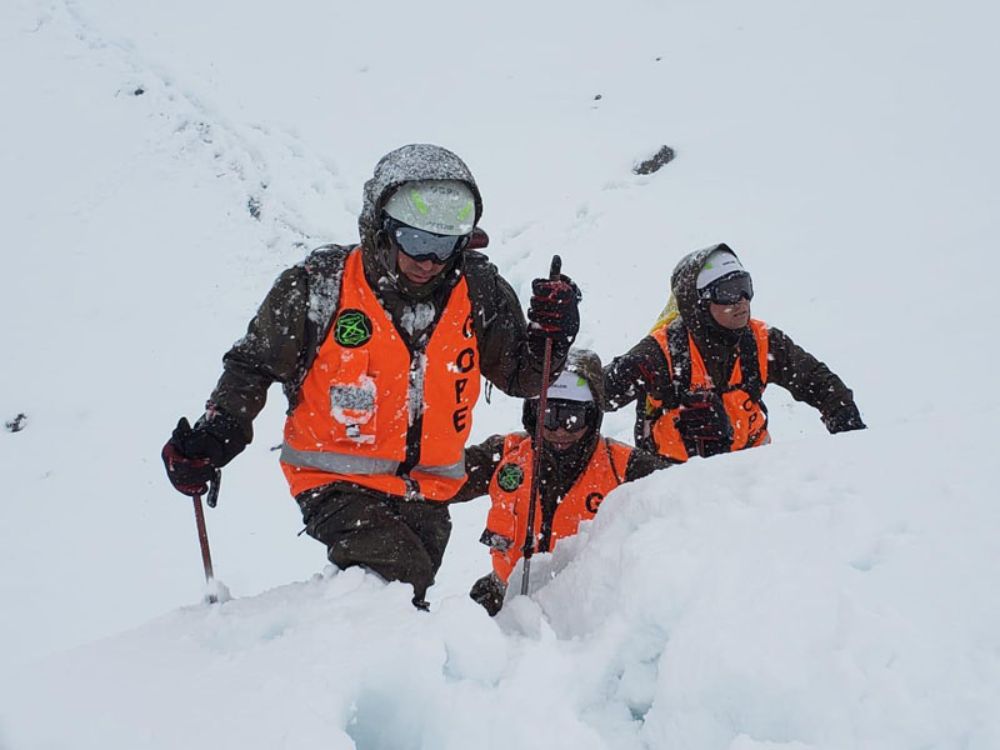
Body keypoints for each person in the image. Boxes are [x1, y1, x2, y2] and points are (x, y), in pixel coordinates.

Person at [161, 144, 582, 609]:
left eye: (444, 245)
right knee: (397, 579)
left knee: (402, 594)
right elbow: (253, 364)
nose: (429, 260)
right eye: (416, 242)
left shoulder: (477, 290)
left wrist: (552, 336)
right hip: (334, 481)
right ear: (381, 231)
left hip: (428, 492)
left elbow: (522, 377)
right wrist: (219, 432)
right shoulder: (318, 286)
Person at [453, 349, 671, 615]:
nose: (559, 430)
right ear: (533, 414)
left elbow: (693, 494)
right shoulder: (505, 454)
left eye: (572, 419)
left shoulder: (625, 468)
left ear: (592, 418)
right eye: (549, 415)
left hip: (581, 616)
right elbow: (438, 478)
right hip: (505, 601)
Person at [603, 243, 865, 463]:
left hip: (752, 475)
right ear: (699, 303)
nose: (741, 300)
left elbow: (818, 382)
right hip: (675, 487)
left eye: (744, 286)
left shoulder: (763, 341)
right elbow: (598, 394)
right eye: (727, 292)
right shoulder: (661, 353)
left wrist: (846, 422)